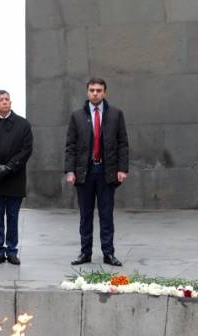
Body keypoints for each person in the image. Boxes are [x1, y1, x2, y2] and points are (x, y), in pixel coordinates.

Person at [64, 77, 129, 267]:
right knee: (85, 216)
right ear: (87, 92)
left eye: (99, 90)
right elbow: (71, 145)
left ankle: (108, 253)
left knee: (106, 214)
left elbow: (123, 143)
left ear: (105, 93)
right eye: (92, 90)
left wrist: (122, 168)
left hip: (106, 172)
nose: (95, 93)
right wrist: (70, 170)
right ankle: (85, 253)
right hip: (85, 172)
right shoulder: (77, 116)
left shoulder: (116, 114)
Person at [0, 90, 33, 265]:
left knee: (12, 217)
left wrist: (10, 166)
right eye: (0, 100)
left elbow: (26, 149)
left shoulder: (23, 124)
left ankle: (12, 251)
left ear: (10, 102)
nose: (4, 102)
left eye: (7, 99)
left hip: (14, 178)